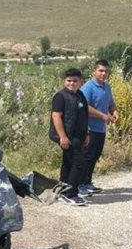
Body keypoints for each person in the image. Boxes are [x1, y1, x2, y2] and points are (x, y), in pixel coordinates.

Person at [49, 68, 90, 206]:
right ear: (64, 81)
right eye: (69, 80)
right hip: (67, 137)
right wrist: (63, 137)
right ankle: (70, 193)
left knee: (68, 163)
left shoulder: (80, 95)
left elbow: (84, 115)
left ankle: (62, 190)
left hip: (78, 136)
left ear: (80, 82)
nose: (71, 83)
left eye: (75, 81)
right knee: (78, 163)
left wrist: (87, 134)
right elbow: (56, 116)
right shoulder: (60, 97)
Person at [80, 59, 119, 197]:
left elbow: (111, 103)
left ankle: (87, 182)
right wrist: (102, 115)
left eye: (106, 71)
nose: (103, 73)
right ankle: (80, 185)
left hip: (101, 128)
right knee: (86, 156)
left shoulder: (106, 87)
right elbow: (84, 107)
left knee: (95, 156)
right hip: (89, 128)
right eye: (100, 71)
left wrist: (114, 111)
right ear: (94, 72)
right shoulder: (88, 87)